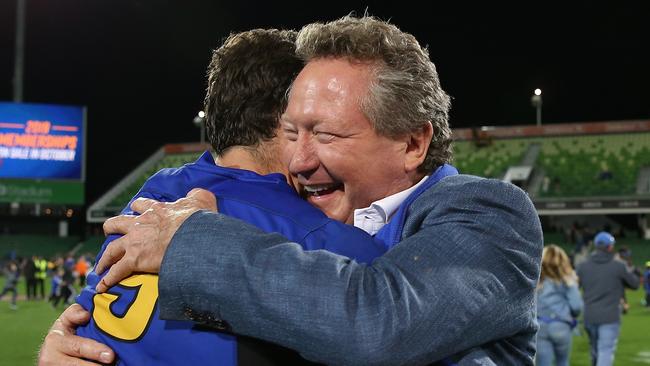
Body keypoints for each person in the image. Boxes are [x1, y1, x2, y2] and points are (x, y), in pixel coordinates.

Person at [46, 15, 543, 365]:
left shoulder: (486, 213)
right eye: (290, 133)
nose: (299, 161)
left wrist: (191, 240)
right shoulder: (300, 217)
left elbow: (377, 322)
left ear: (413, 142)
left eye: (325, 135)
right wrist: (77, 341)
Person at [39, 28, 388, 366]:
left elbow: (79, 317)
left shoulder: (158, 191)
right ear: (288, 121)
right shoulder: (319, 239)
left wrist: (54, 338)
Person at [577, 231, 640, 366]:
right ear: (610, 247)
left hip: (589, 316)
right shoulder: (618, 266)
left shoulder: (583, 266)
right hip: (610, 317)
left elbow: (575, 287)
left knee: (595, 351)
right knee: (605, 351)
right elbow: (635, 284)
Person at [535, 245, 583, 366]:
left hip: (540, 326)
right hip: (561, 325)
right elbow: (576, 307)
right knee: (562, 362)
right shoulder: (568, 280)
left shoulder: (536, 281)